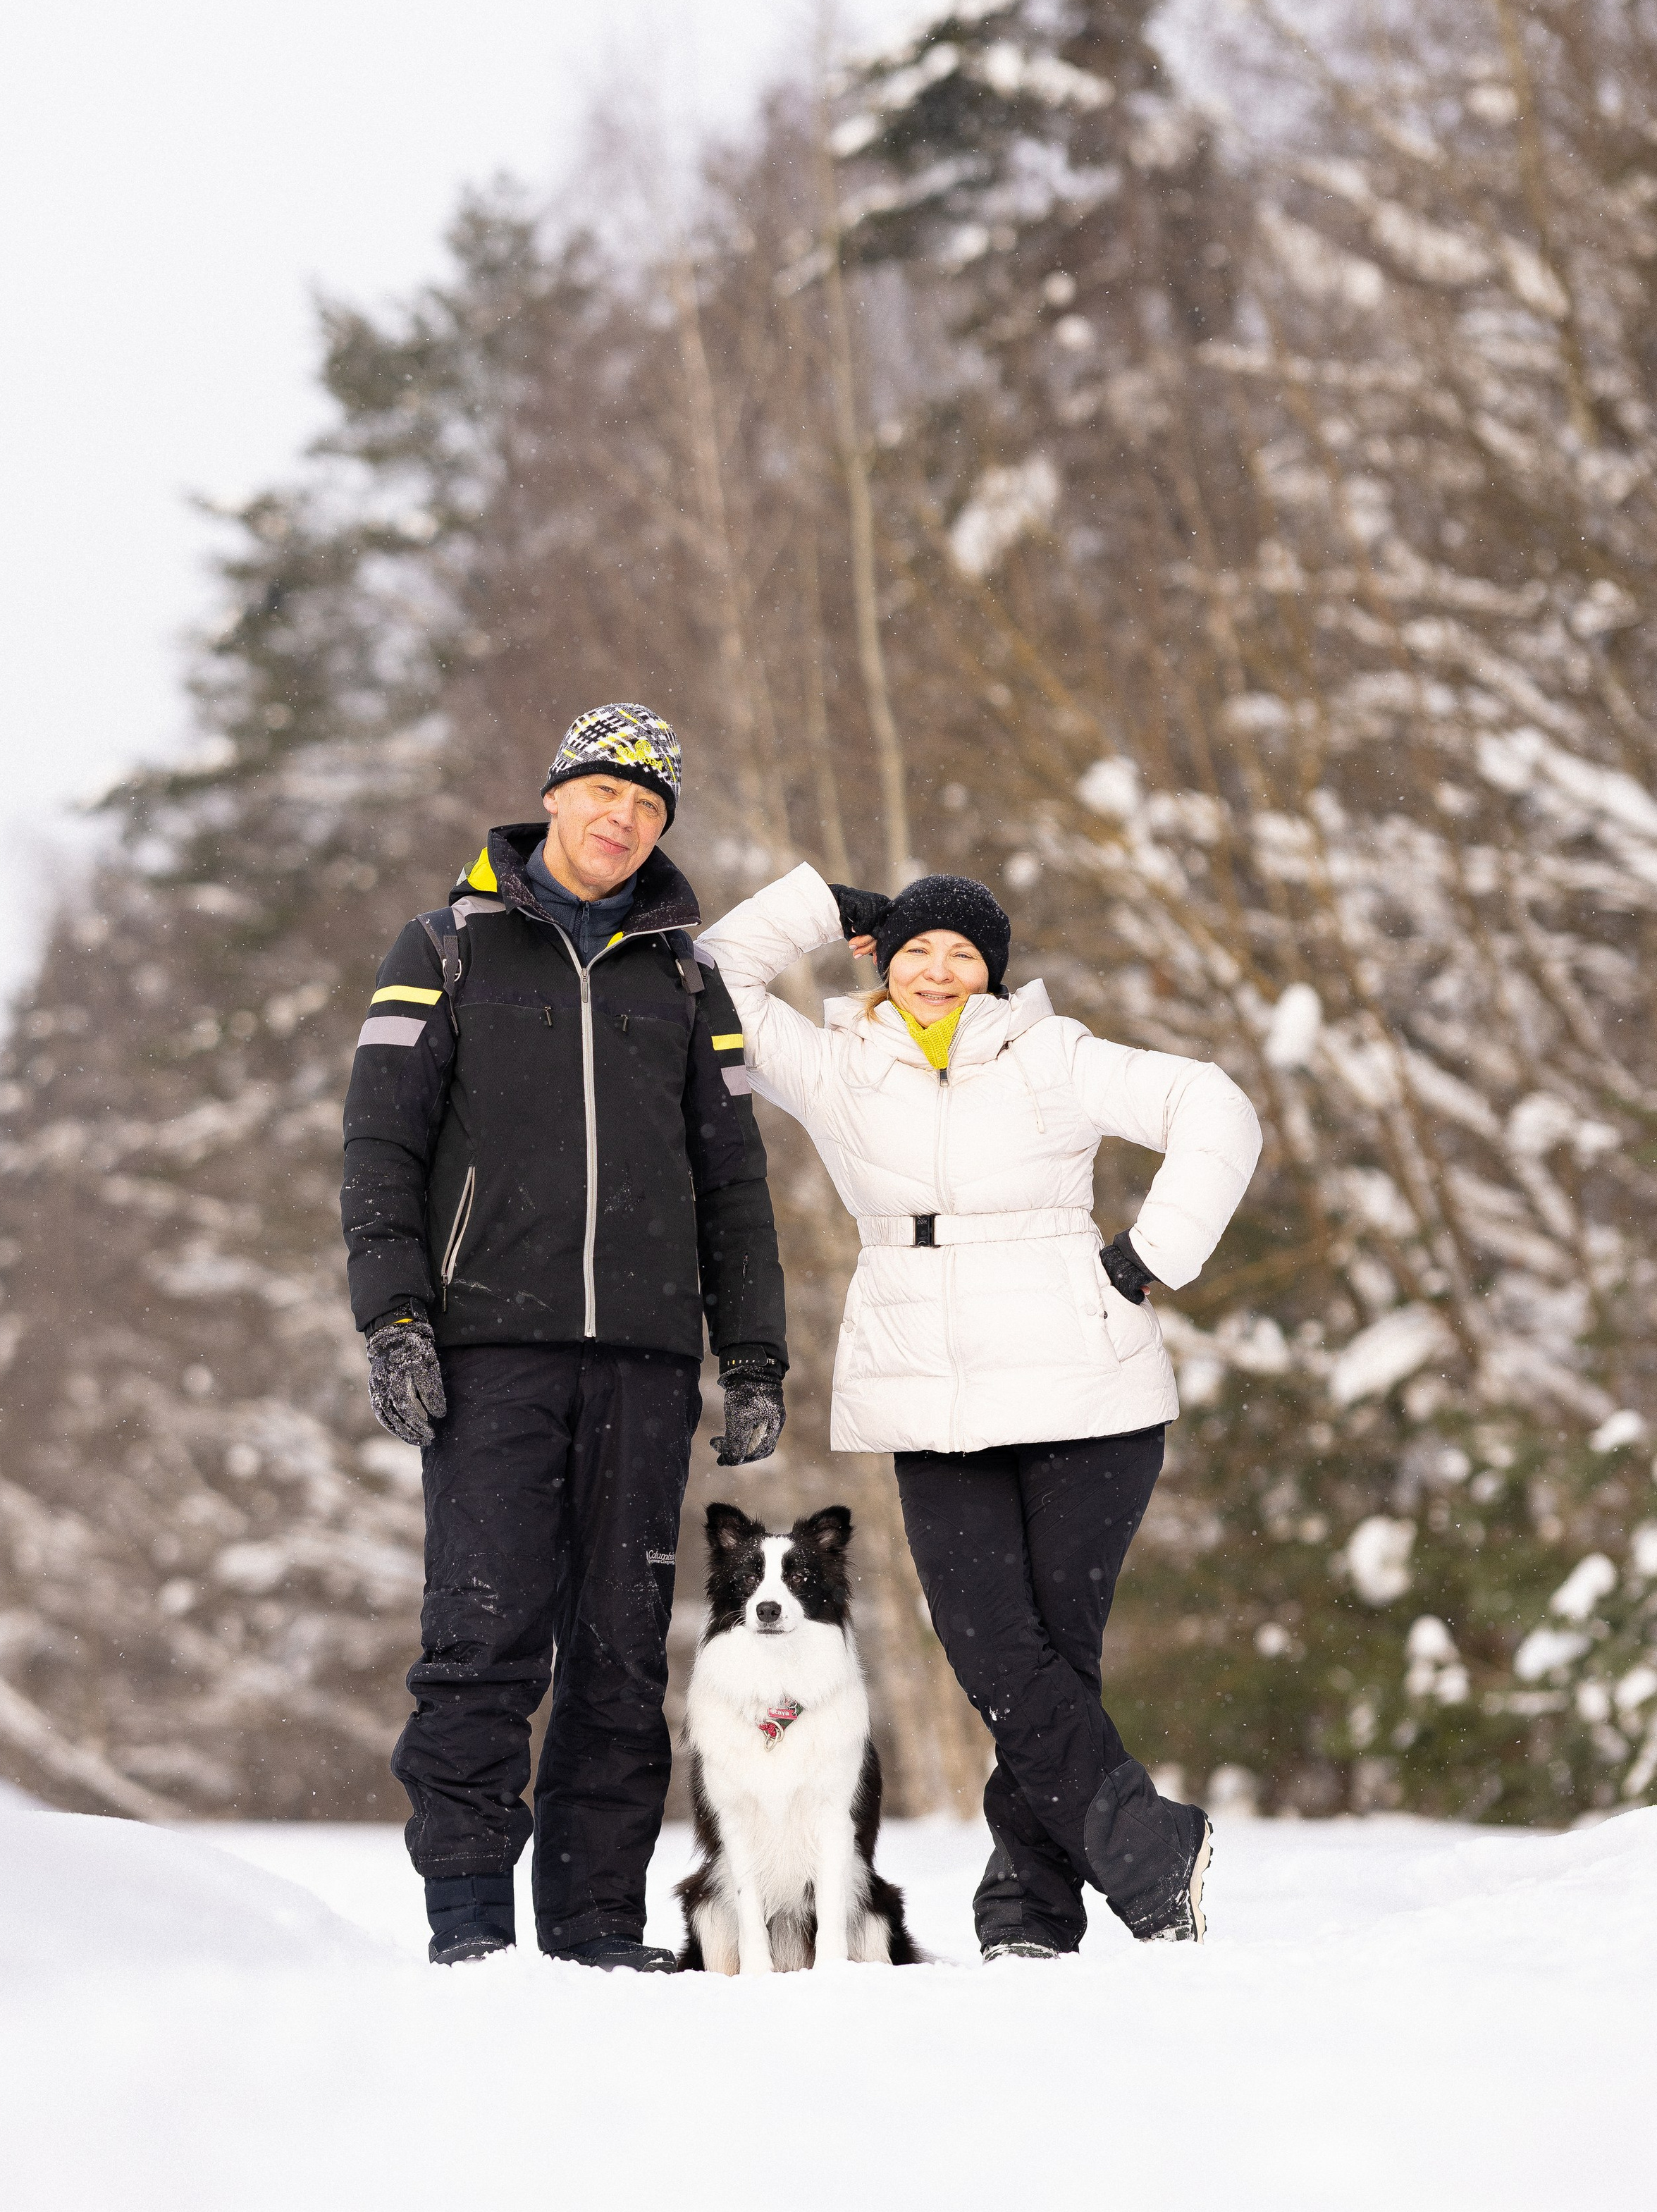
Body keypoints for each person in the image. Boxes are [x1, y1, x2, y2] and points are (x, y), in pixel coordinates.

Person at [696, 863, 1262, 1956]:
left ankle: (1029, 1908)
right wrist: (834, 908)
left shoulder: (1052, 1053)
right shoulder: (836, 1063)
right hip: (927, 1397)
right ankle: (1145, 1843)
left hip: (1088, 1391)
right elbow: (712, 972)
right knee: (995, 1649)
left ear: (994, 972)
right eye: (917, 949)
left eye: (963, 953)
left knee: (1052, 1655)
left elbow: (1214, 1106)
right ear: (886, 963)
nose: (940, 970)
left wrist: (1153, 1254)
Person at [341, 703, 788, 1970]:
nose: (623, 821)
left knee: (619, 1652)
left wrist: (753, 1352)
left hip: (647, 1364)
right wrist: (396, 1318)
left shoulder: (690, 980)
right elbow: (380, 1148)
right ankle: (472, 1918)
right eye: (604, 794)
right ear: (555, 796)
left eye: (648, 808)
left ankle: (596, 1922)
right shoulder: (445, 950)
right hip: (491, 1352)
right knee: (482, 1636)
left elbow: (734, 1182)